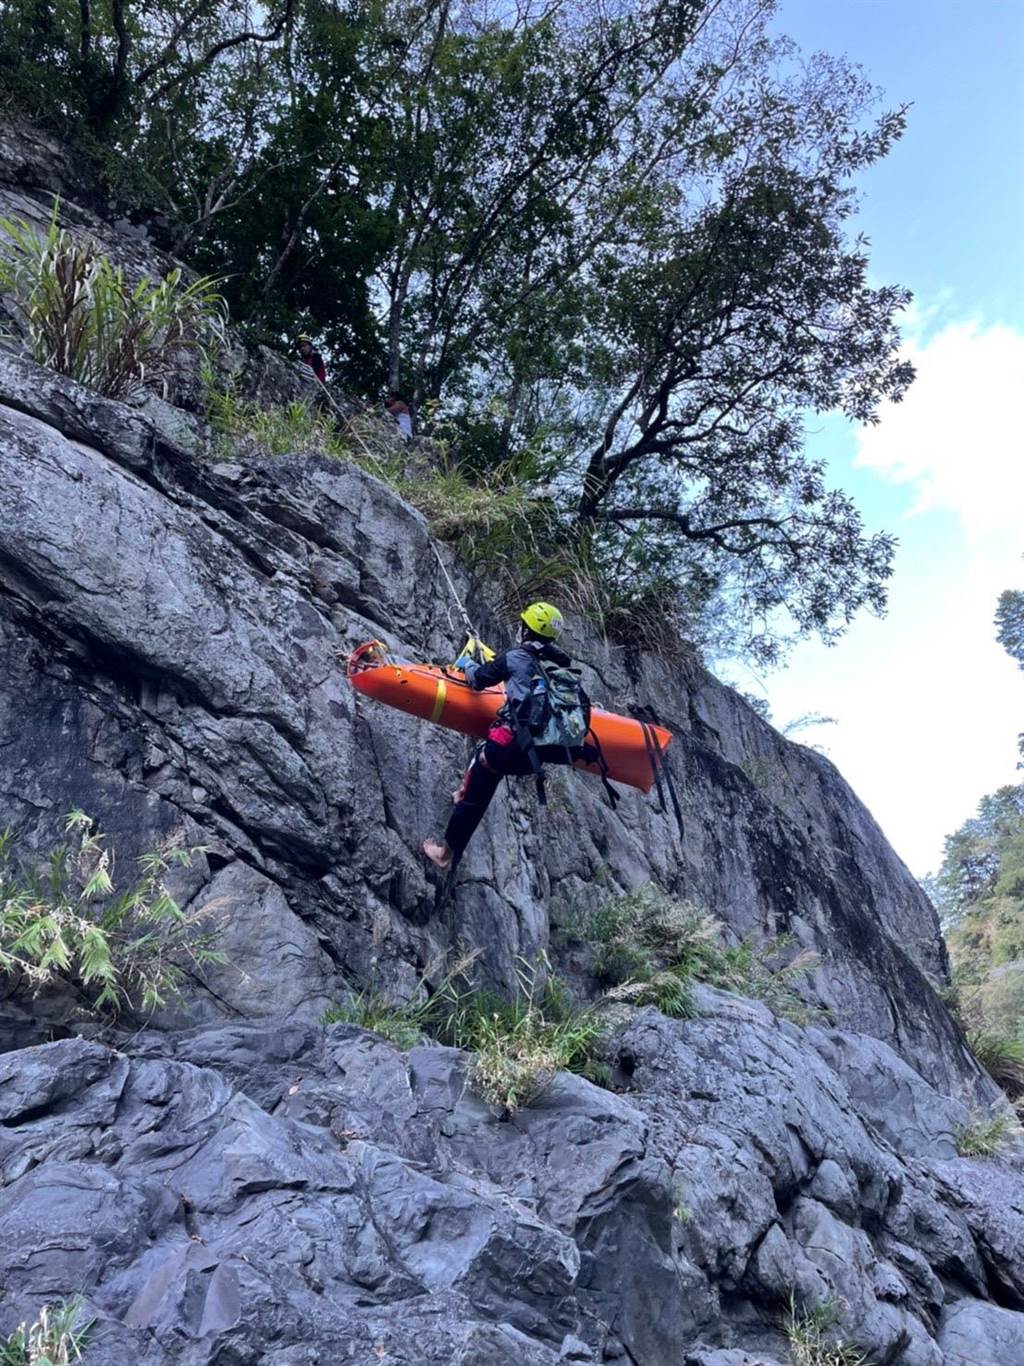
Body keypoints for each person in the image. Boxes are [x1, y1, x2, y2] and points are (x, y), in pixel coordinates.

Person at [422, 602, 597, 870]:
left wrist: (469, 664)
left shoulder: (516, 656)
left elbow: (479, 680)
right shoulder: (560, 662)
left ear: (526, 631)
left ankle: (445, 855)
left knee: (480, 783)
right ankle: (462, 792)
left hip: (512, 746)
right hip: (537, 754)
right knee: (486, 760)